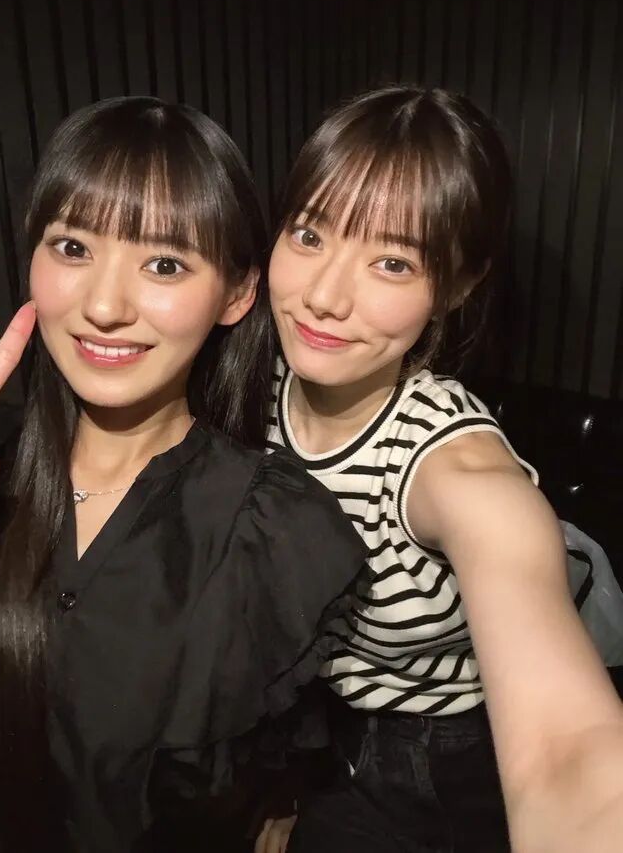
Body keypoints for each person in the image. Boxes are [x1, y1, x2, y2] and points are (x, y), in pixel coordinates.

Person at [0, 97, 367, 852]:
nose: (104, 305)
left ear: (237, 293)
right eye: (72, 247)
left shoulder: (273, 534)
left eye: (164, 264)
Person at [258, 86, 623, 853]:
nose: (322, 296)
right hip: (315, 731)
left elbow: (565, 755)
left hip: (436, 758)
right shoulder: (252, 387)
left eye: (391, 262)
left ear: (455, 285)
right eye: (309, 233)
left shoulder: (453, 470)